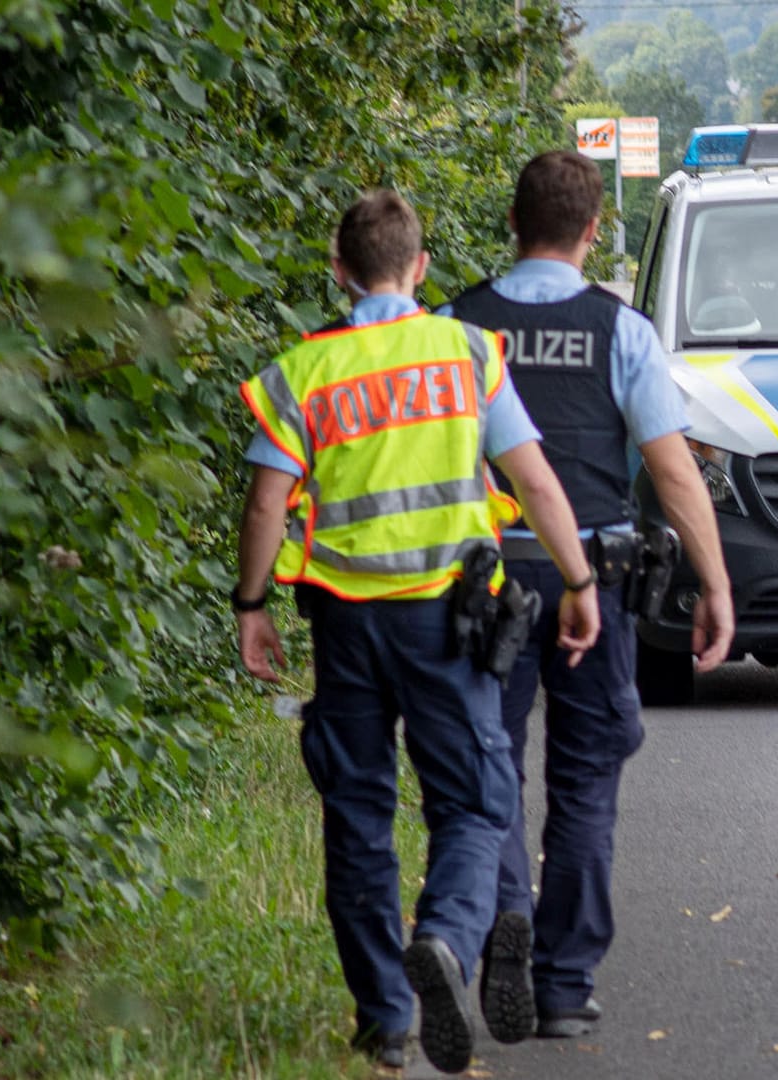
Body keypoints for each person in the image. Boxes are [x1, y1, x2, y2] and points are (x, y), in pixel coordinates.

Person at [232, 189, 602, 1075]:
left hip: (345, 624)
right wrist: (579, 582)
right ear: (421, 266)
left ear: (338, 271)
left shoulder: (302, 373)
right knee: (476, 803)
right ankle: (444, 936)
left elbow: (265, 503)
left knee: (356, 809)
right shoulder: (466, 352)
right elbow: (537, 482)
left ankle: (386, 1018)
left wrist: (251, 607)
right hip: (447, 619)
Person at [442, 150, 737, 1041]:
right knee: (585, 778)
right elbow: (674, 474)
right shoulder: (623, 332)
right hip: (591, 588)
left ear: (511, 224)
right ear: (593, 232)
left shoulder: (459, 327)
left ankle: (503, 919)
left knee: (488, 765)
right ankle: (564, 983)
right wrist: (714, 585)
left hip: (480, 585)